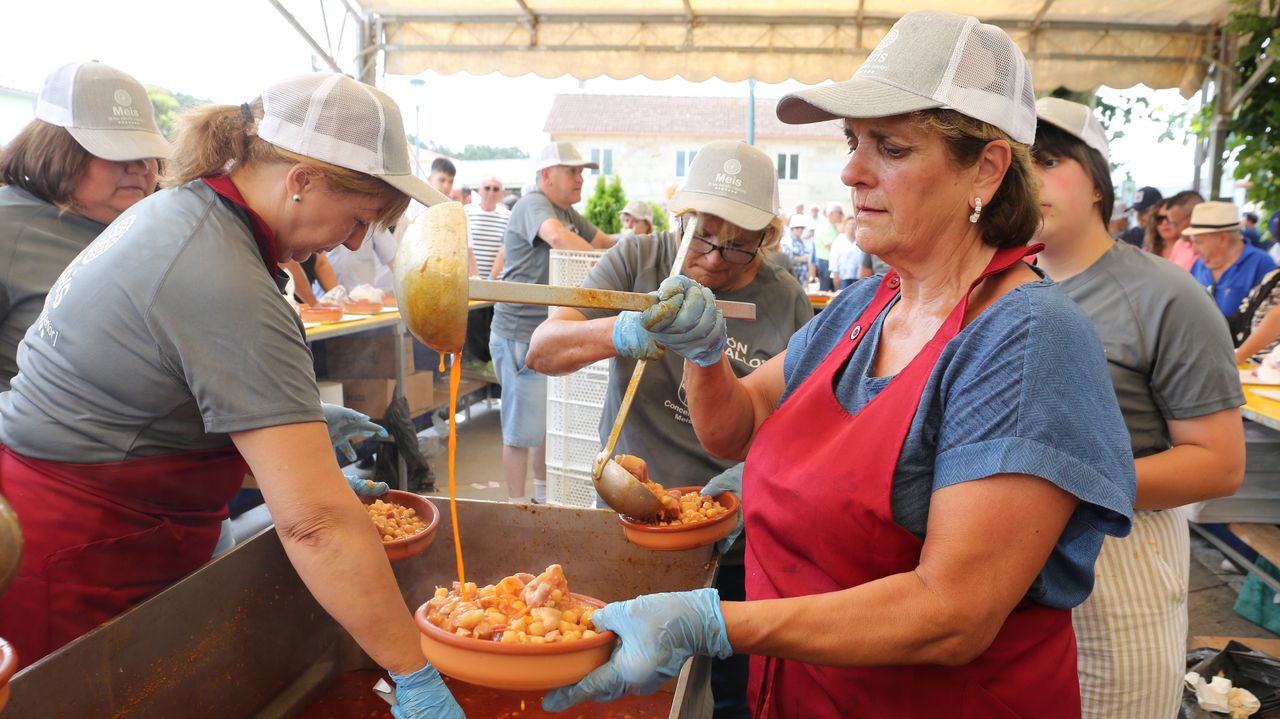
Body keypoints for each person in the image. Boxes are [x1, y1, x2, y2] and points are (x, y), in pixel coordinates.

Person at [543, 11, 1135, 718]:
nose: (853, 170)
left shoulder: (1027, 337)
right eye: (852, 141)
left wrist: (716, 622)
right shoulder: (867, 303)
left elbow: (952, 610)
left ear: (986, 167)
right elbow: (735, 429)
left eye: (890, 147)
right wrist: (705, 355)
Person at [0, 73, 463, 717]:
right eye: (358, 218)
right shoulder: (221, 273)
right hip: (81, 550)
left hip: (111, 520)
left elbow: (153, 394)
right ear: (300, 179)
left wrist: (268, 442)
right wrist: (414, 674)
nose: (356, 242)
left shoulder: (182, 210)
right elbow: (316, 523)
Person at [527, 140, 810, 719]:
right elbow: (543, 350)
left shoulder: (783, 301)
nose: (715, 256)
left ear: (768, 238)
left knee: (729, 688)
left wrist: (756, 476)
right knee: (619, 678)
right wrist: (622, 331)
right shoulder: (638, 259)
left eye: (739, 244)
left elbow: (802, 418)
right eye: (704, 235)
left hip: (729, 532)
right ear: (682, 219)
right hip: (629, 524)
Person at [1032, 97, 1245, 719]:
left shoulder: (1165, 295)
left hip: (1120, 553)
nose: (1028, 179)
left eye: (1047, 160)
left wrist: (1059, 486)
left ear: (1098, 182)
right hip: (1009, 557)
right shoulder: (1000, 287)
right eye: (1013, 163)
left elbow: (1218, 465)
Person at [0, 61, 170, 391]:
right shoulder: (7, 228)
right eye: (118, 151)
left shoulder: (154, 230)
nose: (140, 167)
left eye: (148, 151)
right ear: (57, 151)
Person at [490, 141, 614, 504]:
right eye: (572, 172)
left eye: (582, 173)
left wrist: (641, 248)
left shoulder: (569, 213)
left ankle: (546, 500)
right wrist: (606, 266)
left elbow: (606, 241)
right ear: (546, 176)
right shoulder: (534, 204)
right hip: (519, 335)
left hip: (547, 333)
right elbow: (558, 238)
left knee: (544, 425)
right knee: (520, 429)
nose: (580, 179)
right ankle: (516, 507)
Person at [1186, 201, 1276, 318]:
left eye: (1198, 242)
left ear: (1223, 238)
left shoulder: (1261, 264)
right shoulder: (1199, 264)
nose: (1194, 250)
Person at [1163, 190, 1205, 270]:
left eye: (1175, 224)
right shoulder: (1180, 244)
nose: (1174, 230)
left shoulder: (1213, 247)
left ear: (1192, 217)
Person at [812, 203, 842, 291]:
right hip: (825, 261)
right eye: (839, 212)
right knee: (825, 289)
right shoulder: (824, 226)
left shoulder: (833, 226)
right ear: (831, 213)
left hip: (832, 262)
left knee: (833, 289)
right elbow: (832, 246)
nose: (841, 215)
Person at [828, 215, 861, 289]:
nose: (852, 226)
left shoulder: (859, 241)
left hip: (857, 277)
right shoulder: (839, 240)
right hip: (842, 278)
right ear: (845, 226)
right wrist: (836, 276)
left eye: (854, 224)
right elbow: (833, 259)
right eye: (849, 224)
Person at [782, 214, 811, 285]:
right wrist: (800, 259)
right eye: (798, 227)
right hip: (792, 277)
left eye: (802, 228)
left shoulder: (803, 241)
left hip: (803, 278)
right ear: (792, 228)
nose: (800, 230)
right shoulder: (787, 241)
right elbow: (786, 259)